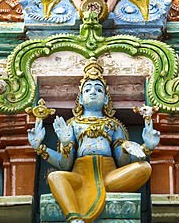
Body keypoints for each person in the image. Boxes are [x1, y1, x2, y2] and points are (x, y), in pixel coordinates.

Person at [28, 59, 158, 223]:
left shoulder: (113, 124)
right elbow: (65, 164)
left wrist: (143, 147)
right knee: (55, 177)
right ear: (80, 99)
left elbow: (121, 161)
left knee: (144, 167)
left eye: (99, 89)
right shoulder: (73, 125)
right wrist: (44, 146)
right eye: (87, 89)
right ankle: (74, 217)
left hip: (109, 177)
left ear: (105, 99)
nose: (93, 92)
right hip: (80, 177)